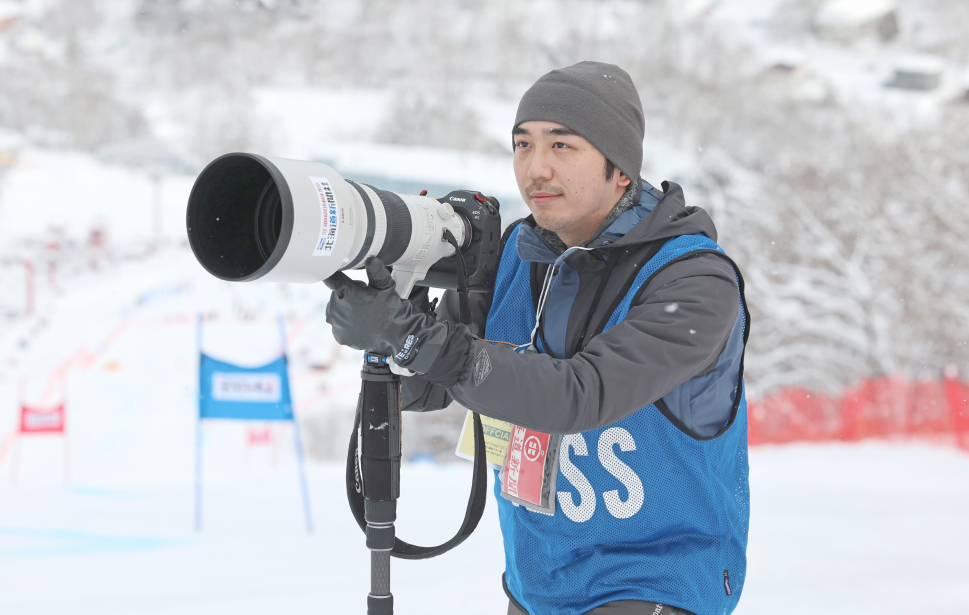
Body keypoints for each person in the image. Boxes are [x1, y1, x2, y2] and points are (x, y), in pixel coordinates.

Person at [324, 61, 750, 615]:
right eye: (522, 145)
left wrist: (418, 340)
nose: (536, 169)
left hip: (655, 582)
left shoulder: (693, 279)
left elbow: (581, 394)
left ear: (620, 168)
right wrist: (393, 326)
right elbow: (437, 384)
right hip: (538, 586)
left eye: (562, 146)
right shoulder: (517, 259)